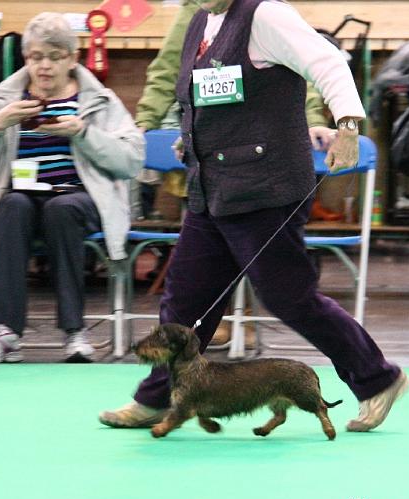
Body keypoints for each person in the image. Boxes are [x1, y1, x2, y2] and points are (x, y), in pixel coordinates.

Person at [99, 0, 408, 431]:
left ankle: (378, 380)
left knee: (290, 298)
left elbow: (329, 62)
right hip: (211, 188)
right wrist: (191, 140)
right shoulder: (201, 22)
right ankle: (157, 400)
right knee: (185, 299)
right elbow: (204, 96)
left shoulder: (266, 16)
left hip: (266, 188)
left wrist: (349, 126)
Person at [134, 0, 340, 347]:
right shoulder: (193, 15)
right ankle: (161, 393)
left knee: (281, 289)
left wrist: (317, 119)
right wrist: (147, 124)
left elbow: (297, 77)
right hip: (209, 171)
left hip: (259, 174)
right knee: (191, 285)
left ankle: (374, 373)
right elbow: (168, 74)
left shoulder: (266, 13)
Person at [0, 12, 144, 364]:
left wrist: (83, 133)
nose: (44, 67)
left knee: (63, 209)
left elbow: (131, 160)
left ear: (72, 59)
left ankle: (75, 331)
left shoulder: (98, 100)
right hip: (21, 197)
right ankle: (4, 331)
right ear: (26, 58)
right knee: (12, 207)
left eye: (55, 58)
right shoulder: (3, 99)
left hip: (79, 198)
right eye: (36, 57)